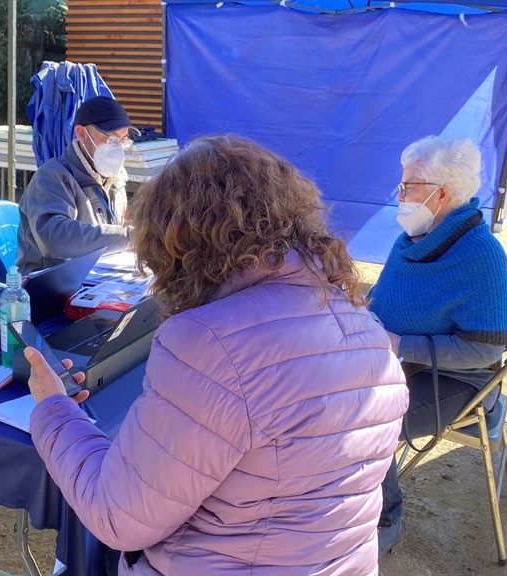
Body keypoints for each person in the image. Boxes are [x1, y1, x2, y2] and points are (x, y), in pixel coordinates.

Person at [24, 135, 409, 574]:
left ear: (178, 241)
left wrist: (52, 409)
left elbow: (118, 517)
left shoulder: (207, 341)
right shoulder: (366, 328)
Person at [369, 135, 507, 555]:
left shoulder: (480, 255)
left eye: (408, 186)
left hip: (456, 381)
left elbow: (485, 350)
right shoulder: (415, 240)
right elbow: (391, 296)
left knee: (365, 423)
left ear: (442, 194)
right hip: (398, 363)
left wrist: (400, 342)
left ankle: (386, 519)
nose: (399, 195)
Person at [17, 96, 135, 273]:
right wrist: (129, 237)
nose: (118, 147)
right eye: (111, 138)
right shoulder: (51, 176)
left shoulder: (117, 177)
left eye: (123, 140)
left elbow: (116, 229)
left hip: (98, 276)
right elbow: (55, 238)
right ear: (81, 134)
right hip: (48, 283)